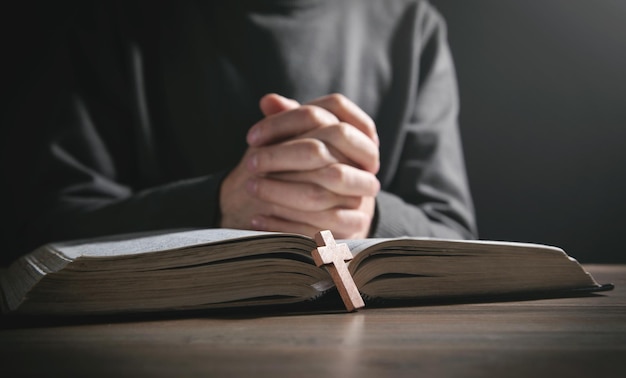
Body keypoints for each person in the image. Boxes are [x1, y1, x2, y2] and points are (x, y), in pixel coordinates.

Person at [2, 0, 477, 265]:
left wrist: (366, 215)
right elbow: (43, 230)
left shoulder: (413, 28)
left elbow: (458, 238)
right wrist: (220, 205)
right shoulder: (109, 19)